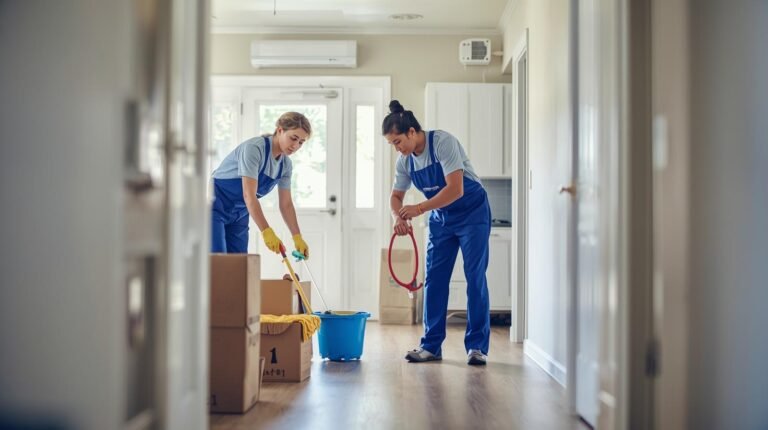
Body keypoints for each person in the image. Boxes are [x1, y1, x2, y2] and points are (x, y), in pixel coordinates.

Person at [384, 100, 491, 366]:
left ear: (411, 132)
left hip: (472, 213)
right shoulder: (405, 162)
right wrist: (398, 216)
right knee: (435, 279)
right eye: (392, 144)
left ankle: (476, 347)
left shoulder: (442, 142)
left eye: (397, 141)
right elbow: (396, 196)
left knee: (474, 276)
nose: (397, 148)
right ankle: (431, 346)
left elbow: (456, 189)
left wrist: (418, 208)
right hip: (442, 219)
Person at [210, 112, 311, 258]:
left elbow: (286, 204)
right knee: (217, 259)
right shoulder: (255, 149)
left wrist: (297, 237)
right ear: (280, 130)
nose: (295, 146)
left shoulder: (285, 165)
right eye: (293, 138)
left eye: (301, 142)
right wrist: (266, 231)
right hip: (215, 206)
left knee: (239, 264)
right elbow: (249, 195)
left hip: (240, 212)